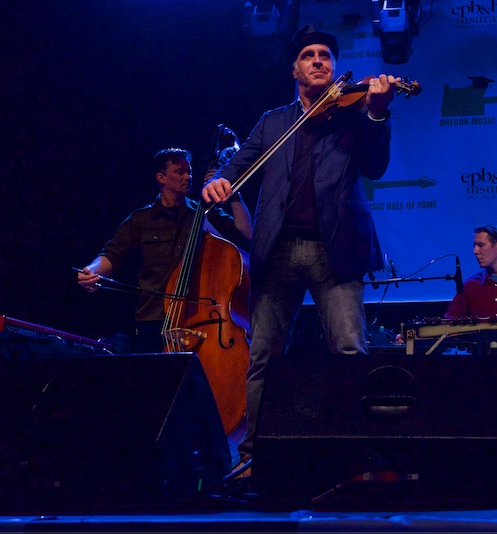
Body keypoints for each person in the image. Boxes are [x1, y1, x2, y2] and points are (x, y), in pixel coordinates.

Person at [202, 25, 400, 460]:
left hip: (337, 250)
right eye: (309, 55)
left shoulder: (354, 114)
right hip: (278, 252)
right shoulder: (273, 121)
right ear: (295, 69)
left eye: (326, 55)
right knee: (264, 357)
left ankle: (357, 454)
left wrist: (378, 113)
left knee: (349, 350)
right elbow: (236, 167)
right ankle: (255, 456)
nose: (318, 60)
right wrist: (218, 183)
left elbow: (376, 166)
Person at [77, 148, 252, 353]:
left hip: (198, 318)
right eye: (180, 172)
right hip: (152, 319)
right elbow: (111, 254)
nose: (188, 177)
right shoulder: (141, 219)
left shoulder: (205, 213)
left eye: (190, 171)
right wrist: (92, 270)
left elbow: (246, 235)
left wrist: (234, 195)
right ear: (161, 178)